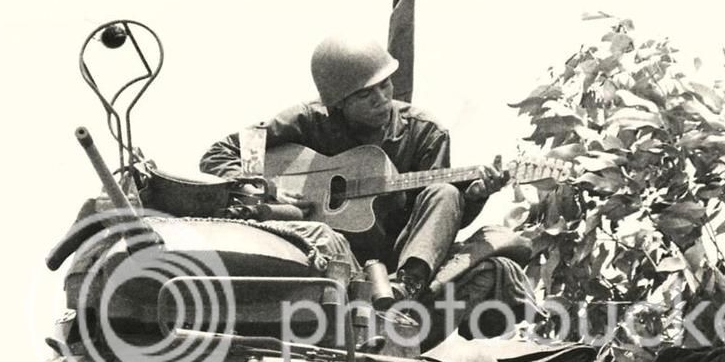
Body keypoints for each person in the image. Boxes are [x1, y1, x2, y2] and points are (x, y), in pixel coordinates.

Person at [200, 35, 508, 299]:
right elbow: (220, 153)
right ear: (338, 103)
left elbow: (438, 219)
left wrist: (475, 196)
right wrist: (267, 190)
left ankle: (405, 288)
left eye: (385, 85)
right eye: (365, 94)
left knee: (444, 191)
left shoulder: (427, 133)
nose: (382, 99)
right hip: (316, 251)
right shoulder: (308, 120)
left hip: (392, 256)